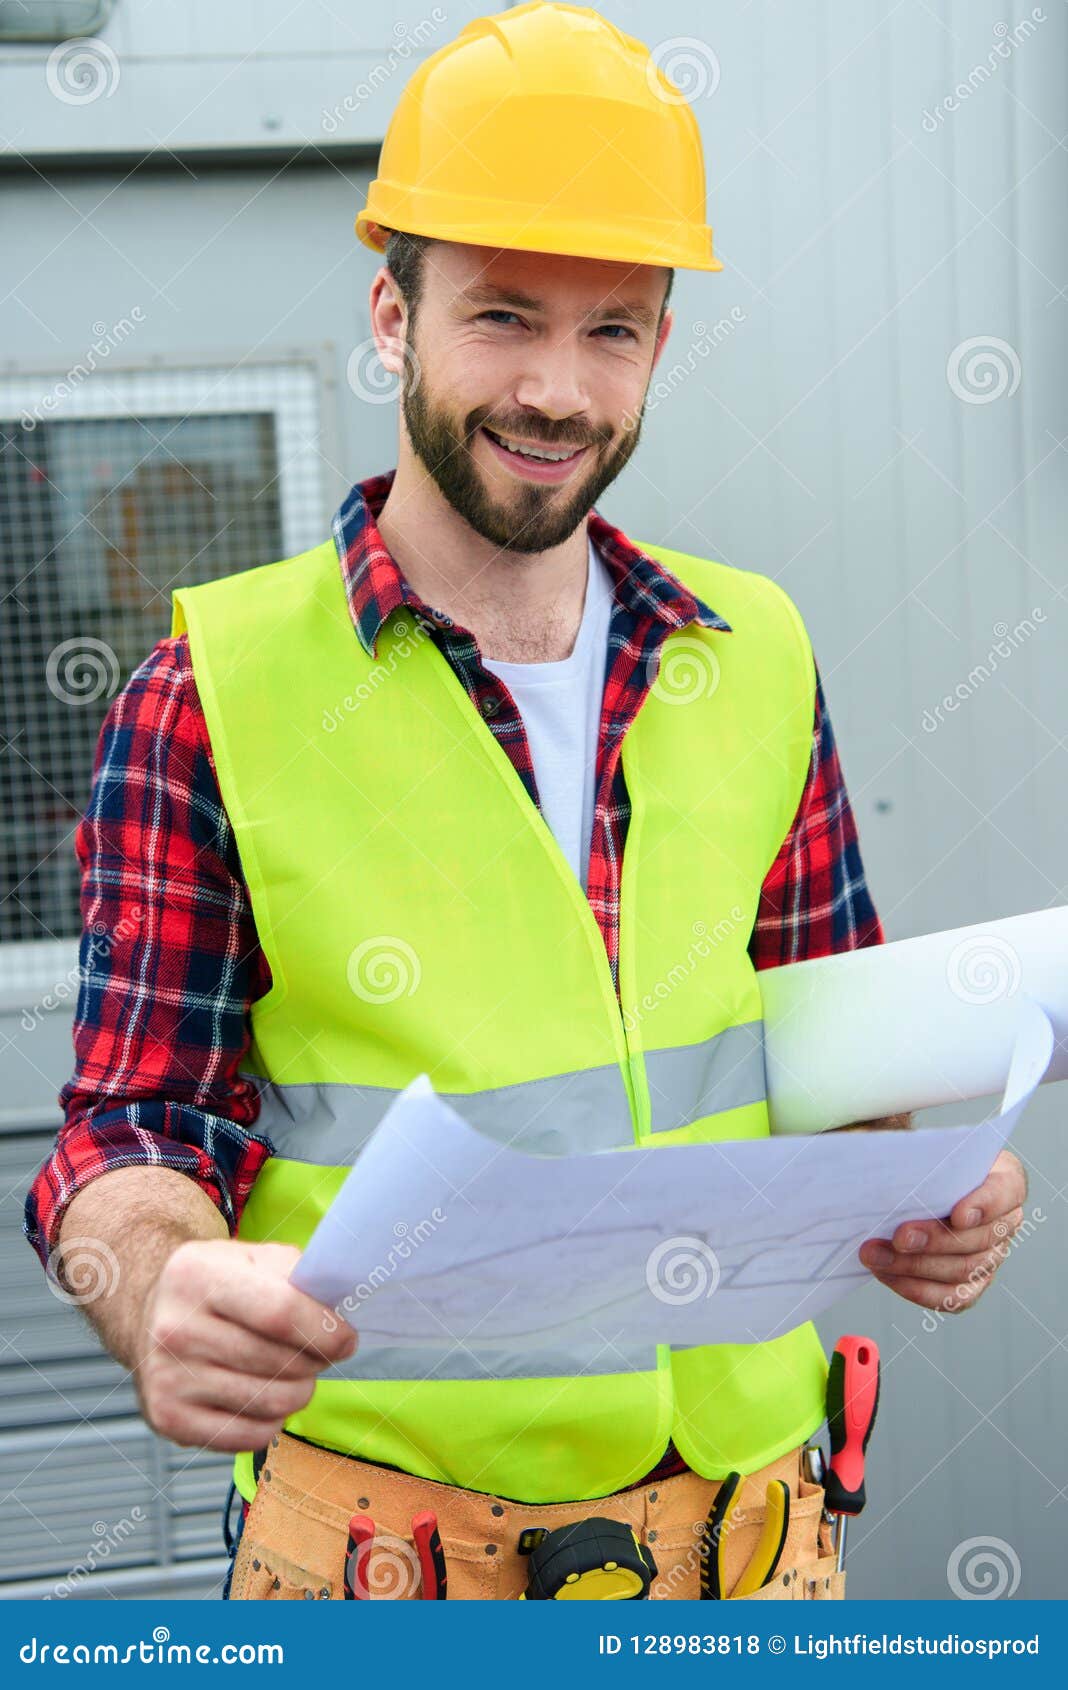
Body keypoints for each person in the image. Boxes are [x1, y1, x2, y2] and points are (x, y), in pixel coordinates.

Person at [25, 2, 1025, 1602]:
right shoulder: (211, 694)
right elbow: (133, 1126)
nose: (557, 388)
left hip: (759, 1553)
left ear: (661, 346)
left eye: (612, 328)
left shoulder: (751, 651)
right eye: (501, 315)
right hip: (393, 1571)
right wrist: (155, 1285)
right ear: (391, 314)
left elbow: (832, 1050)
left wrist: (940, 1181)